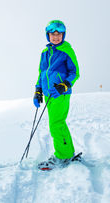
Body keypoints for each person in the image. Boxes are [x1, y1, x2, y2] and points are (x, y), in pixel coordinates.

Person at [33, 20, 80, 170]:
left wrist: (64, 86)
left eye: (59, 34)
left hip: (60, 93)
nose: (56, 37)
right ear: (48, 35)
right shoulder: (45, 53)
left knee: (56, 124)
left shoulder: (67, 50)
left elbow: (75, 73)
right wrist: (38, 90)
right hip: (48, 94)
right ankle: (67, 152)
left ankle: (62, 156)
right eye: (52, 34)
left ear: (63, 35)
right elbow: (42, 73)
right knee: (58, 123)